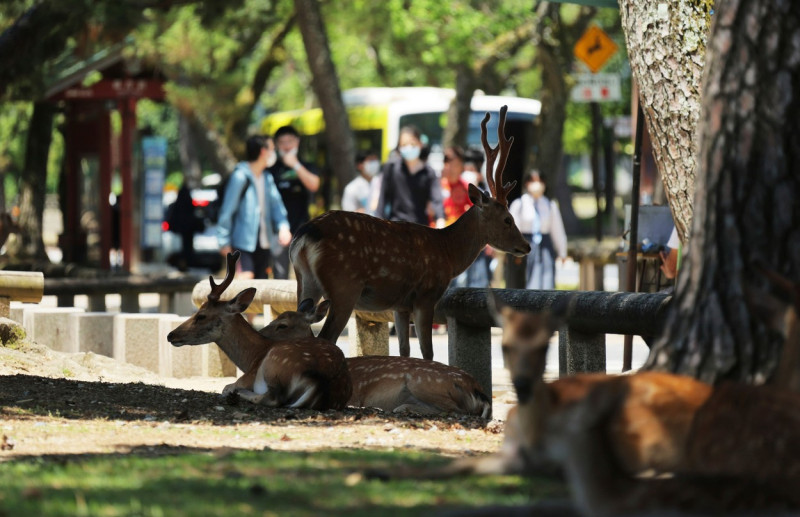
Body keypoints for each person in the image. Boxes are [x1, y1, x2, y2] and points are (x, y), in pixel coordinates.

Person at [217, 135, 291, 280]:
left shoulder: (267, 178)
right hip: (242, 243)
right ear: (263, 152)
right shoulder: (240, 177)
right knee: (246, 281)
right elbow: (227, 210)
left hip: (264, 243)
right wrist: (223, 241)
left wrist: (283, 227)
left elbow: (277, 206)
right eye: (272, 149)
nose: (273, 153)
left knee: (260, 287)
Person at [268, 125, 320, 278]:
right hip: (278, 231)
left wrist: (295, 165)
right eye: (282, 142)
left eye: (290, 141)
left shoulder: (307, 165)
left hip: (303, 229)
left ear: (297, 142)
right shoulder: (271, 169)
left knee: (306, 276)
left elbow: (314, 185)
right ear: (276, 145)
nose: (286, 146)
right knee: (280, 275)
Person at [375, 126, 445, 228]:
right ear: (399, 147)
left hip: (421, 228)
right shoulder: (391, 168)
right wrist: (378, 224)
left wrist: (440, 220)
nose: (409, 147)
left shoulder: (428, 172)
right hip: (396, 227)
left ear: (420, 144)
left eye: (412, 144)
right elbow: (382, 201)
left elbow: (437, 200)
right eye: (404, 144)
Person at [509, 171, 567, 290]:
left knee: (547, 278)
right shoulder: (519, 204)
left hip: (545, 245)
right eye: (533, 181)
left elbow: (557, 230)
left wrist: (562, 252)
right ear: (527, 183)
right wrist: (516, 250)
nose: (537, 184)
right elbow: (513, 229)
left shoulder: (550, 205)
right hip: (525, 244)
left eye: (540, 181)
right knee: (528, 279)